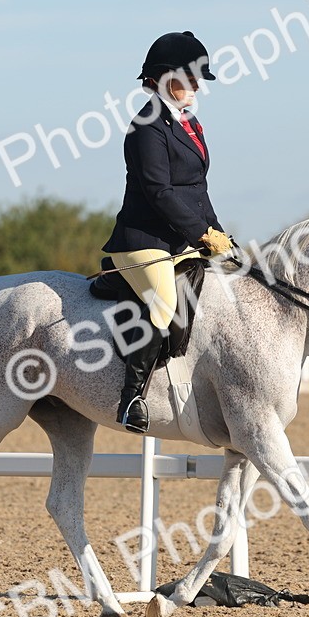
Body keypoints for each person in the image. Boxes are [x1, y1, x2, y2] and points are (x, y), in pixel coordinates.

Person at [102, 31, 233, 433]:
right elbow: (159, 191)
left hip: (181, 239)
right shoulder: (146, 127)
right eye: (189, 77)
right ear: (162, 78)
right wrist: (200, 235)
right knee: (162, 307)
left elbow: (197, 189)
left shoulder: (189, 123)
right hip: (144, 243)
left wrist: (220, 235)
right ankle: (132, 399)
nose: (196, 86)